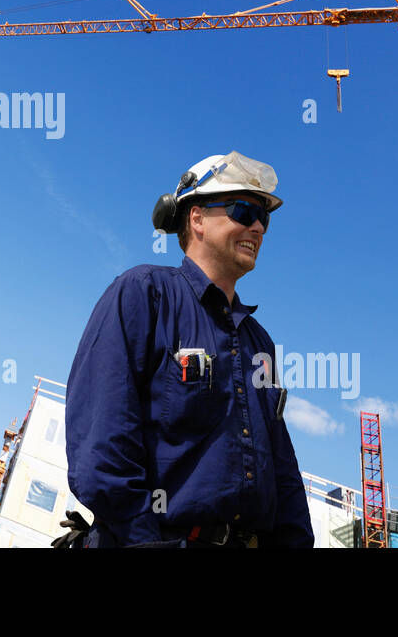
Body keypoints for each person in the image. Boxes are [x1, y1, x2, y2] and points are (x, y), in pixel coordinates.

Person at [63, 151, 313, 548]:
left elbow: (281, 465)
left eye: (264, 218)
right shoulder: (143, 294)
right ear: (196, 218)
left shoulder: (259, 343)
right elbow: (102, 447)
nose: (258, 227)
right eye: (244, 211)